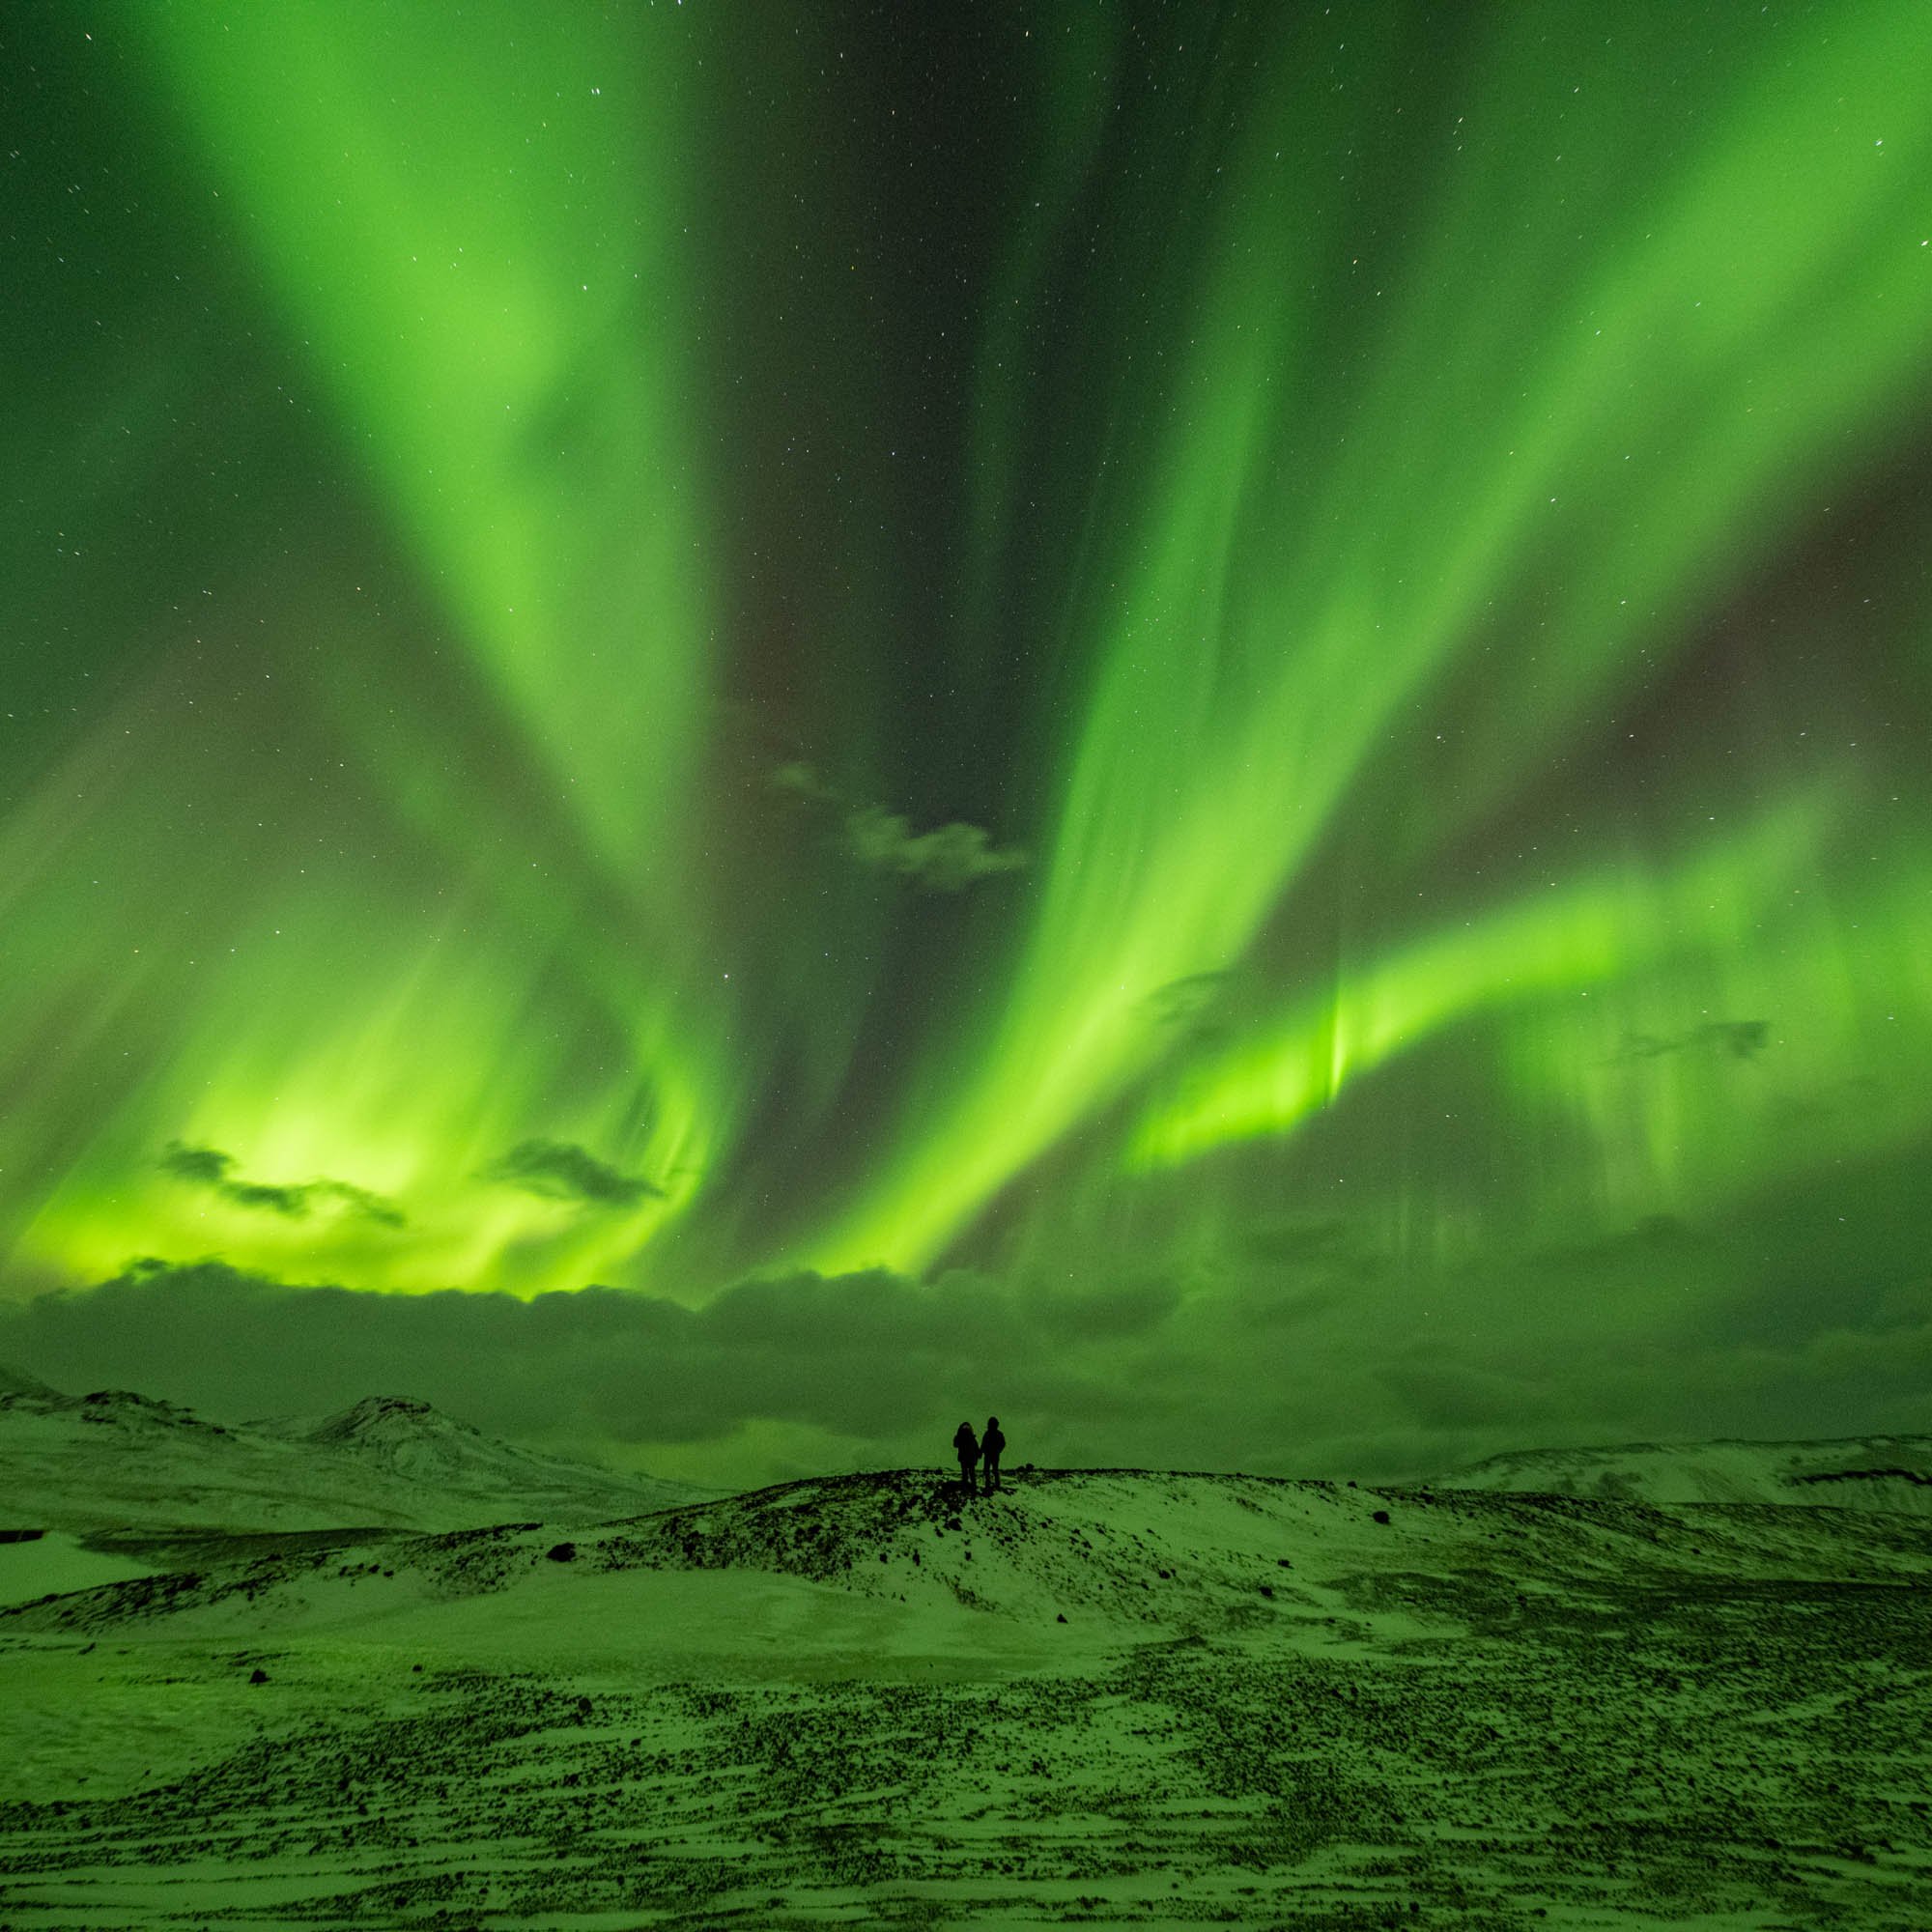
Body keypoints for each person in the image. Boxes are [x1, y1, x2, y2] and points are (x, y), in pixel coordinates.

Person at [952, 1419, 980, 1495]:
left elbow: (955, 1445)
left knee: (965, 1474)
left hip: (964, 1458)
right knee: (972, 1473)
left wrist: (956, 1437)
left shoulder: (961, 1438)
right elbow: (976, 1448)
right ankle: (973, 1488)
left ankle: (965, 1488)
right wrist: (978, 1455)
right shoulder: (972, 1438)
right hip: (971, 1458)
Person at [981, 1415, 1007, 1492]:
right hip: (993, 1454)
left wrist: (981, 1452)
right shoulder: (998, 1434)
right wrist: (998, 1450)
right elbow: (1003, 1444)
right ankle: (995, 1484)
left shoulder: (988, 1433)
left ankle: (989, 1484)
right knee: (992, 1470)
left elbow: (983, 1444)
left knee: (989, 1470)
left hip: (991, 1454)